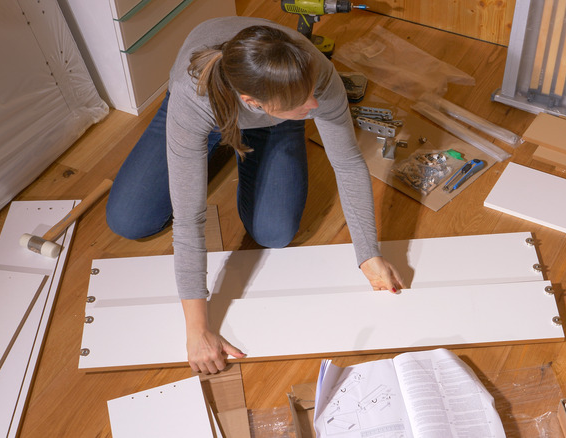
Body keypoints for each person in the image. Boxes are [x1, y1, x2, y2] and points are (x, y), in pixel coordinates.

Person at [105, 16, 405, 374]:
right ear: (254, 101)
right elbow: (189, 219)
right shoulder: (193, 96)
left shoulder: (317, 76)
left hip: (273, 118)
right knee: (129, 219)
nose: (314, 105)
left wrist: (368, 254)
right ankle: (209, 141)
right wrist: (197, 329)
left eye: (310, 94)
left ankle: (237, 142)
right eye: (302, 103)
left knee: (274, 233)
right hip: (209, 107)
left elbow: (348, 162)